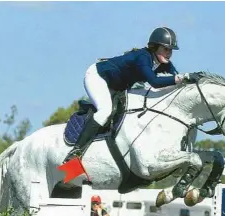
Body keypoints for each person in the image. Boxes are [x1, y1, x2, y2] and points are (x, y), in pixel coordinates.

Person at [63, 27, 200, 163]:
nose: (169, 53)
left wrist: (191, 83)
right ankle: (76, 152)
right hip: (98, 77)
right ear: (155, 47)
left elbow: (176, 79)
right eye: (165, 49)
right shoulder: (143, 57)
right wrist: (182, 78)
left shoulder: (163, 63)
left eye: (171, 50)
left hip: (117, 85)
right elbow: (155, 82)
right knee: (105, 111)